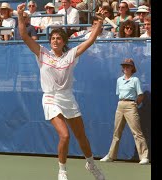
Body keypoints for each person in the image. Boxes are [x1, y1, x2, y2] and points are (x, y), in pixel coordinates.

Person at [16, 3, 106, 180]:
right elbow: (24, 36)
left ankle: (91, 163)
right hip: (50, 98)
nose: (55, 40)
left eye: (58, 38)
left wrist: (99, 22)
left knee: (81, 137)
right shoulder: (42, 54)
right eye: (53, 38)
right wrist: (20, 16)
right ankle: (62, 171)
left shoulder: (71, 55)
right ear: (49, 41)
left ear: (64, 41)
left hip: (67, 97)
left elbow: (90, 41)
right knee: (64, 135)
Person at [100, 58, 149, 165]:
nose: (125, 68)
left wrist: (135, 104)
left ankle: (144, 157)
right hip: (120, 105)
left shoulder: (135, 80)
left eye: (128, 66)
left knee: (137, 132)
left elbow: (140, 95)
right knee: (116, 132)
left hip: (131, 105)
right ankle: (111, 156)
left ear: (132, 68)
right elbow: (119, 93)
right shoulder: (119, 80)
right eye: (124, 66)